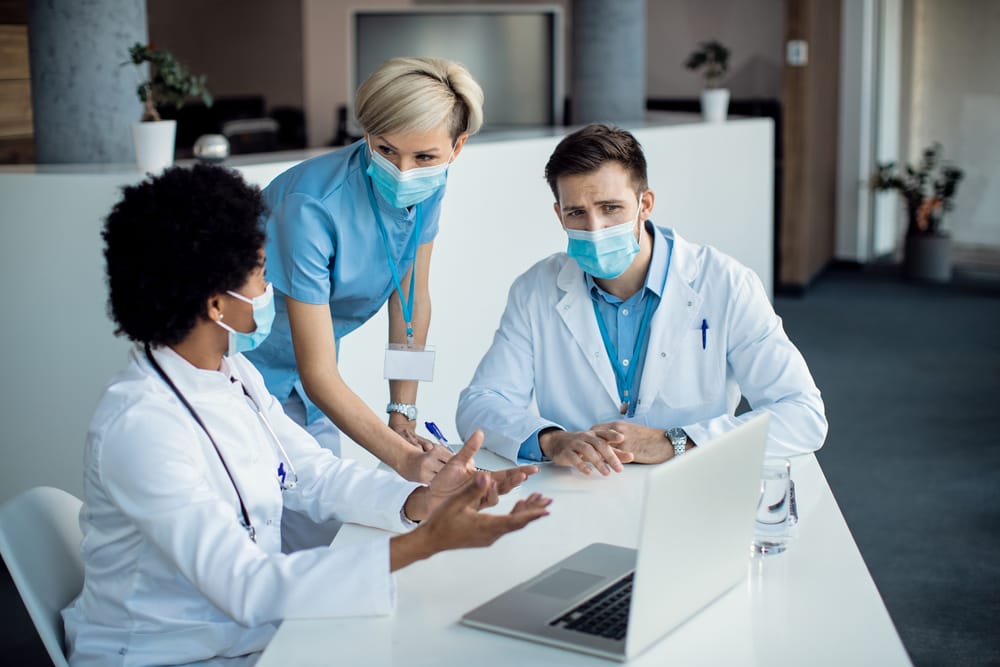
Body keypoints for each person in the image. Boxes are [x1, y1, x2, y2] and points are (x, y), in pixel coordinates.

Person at [63, 165, 549, 667]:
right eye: (259, 270)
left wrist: (421, 501)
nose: (270, 282)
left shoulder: (234, 373)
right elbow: (246, 586)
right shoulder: (142, 425)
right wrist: (425, 544)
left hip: (244, 639)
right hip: (168, 656)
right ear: (216, 304)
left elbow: (313, 475)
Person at [456, 124, 827, 474]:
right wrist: (552, 440)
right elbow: (480, 404)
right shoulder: (535, 289)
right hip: (584, 489)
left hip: (693, 482)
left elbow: (802, 414)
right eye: (577, 213)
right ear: (559, 214)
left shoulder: (725, 283)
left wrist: (674, 442)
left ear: (644, 203)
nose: (595, 229)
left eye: (610, 208)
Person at [244, 57, 483, 548]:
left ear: (456, 149)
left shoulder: (428, 185)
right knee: (269, 539)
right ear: (367, 133)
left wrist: (403, 411)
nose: (402, 171)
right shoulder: (312, 207)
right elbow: (319, 371)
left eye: (423, 157)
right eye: (386, 148)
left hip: (309, 384)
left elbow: (411, 301)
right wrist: (402, 456)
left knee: (323, 533)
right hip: (248, 376)